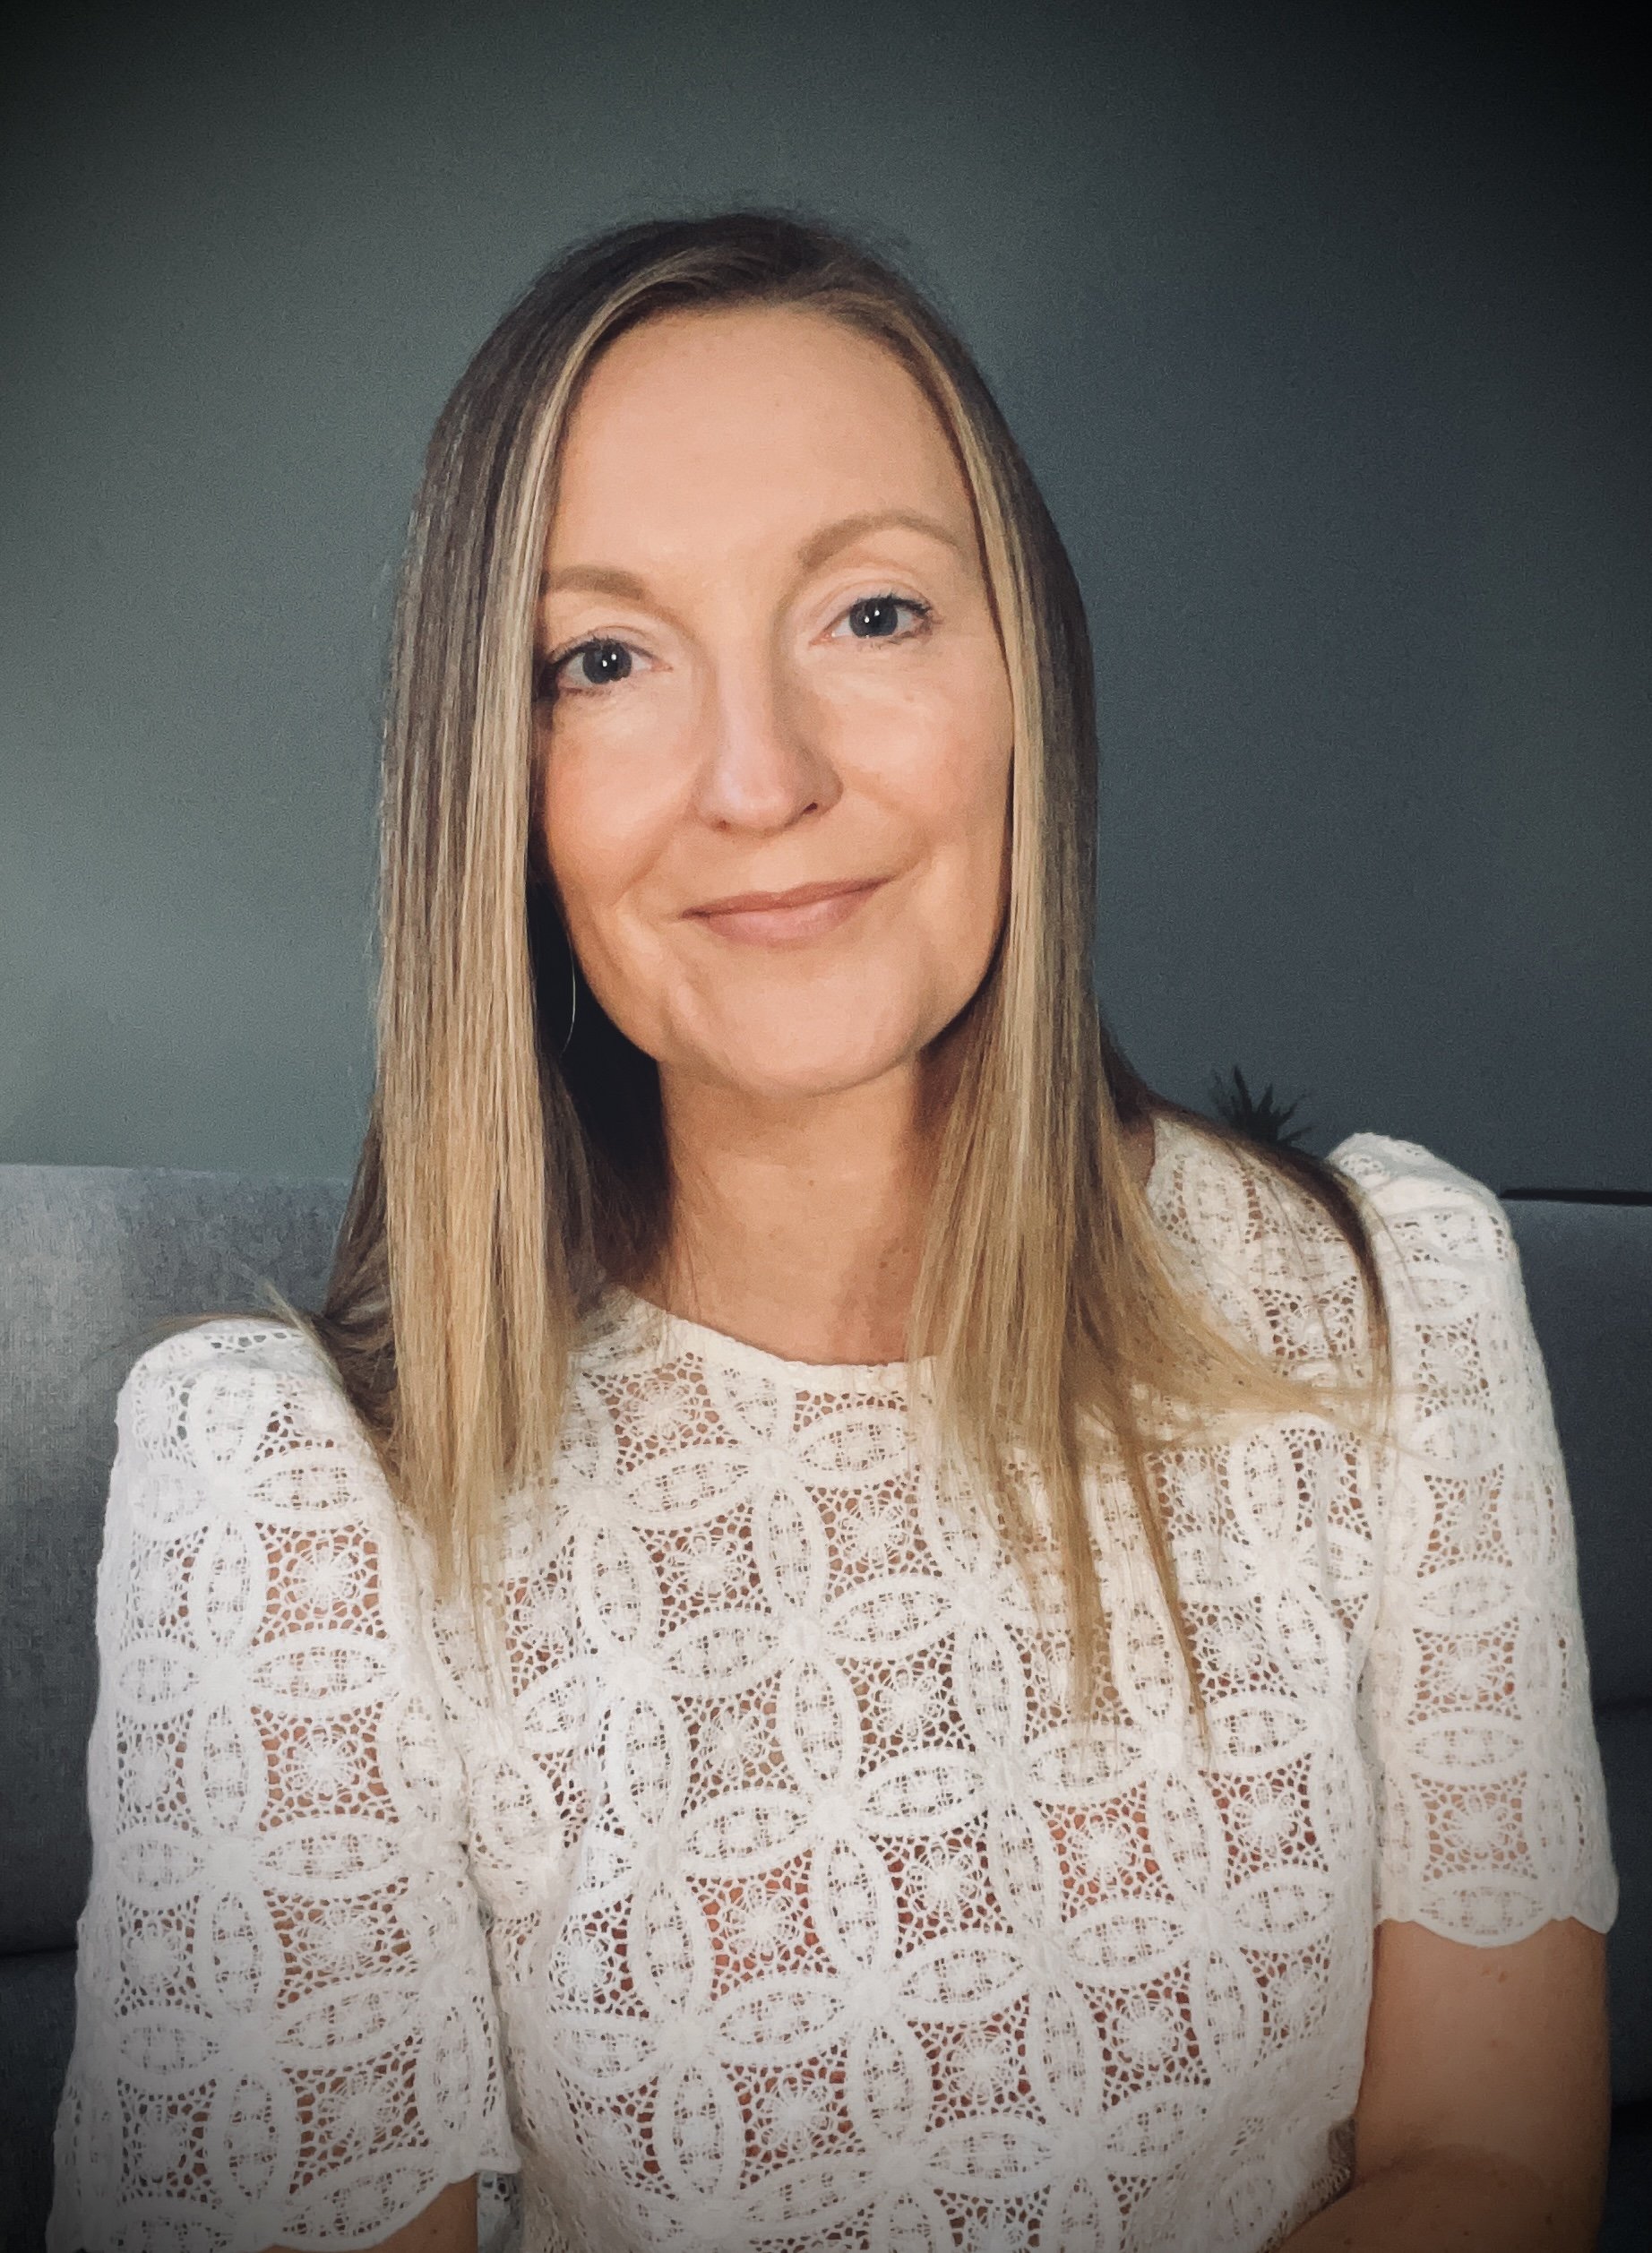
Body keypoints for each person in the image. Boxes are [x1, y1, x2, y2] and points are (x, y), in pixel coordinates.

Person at [48, 210, 1618, 2253]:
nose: (758, 778)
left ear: (1022, 682)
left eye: (870, 614)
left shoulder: (1389, 1301)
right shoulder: (291, 1493)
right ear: (498, 788)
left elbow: (1488, 2163)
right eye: (601, 658)